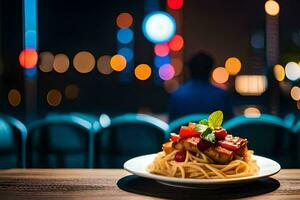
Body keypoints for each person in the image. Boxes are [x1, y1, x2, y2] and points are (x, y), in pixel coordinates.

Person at [168, 52, 233, 121]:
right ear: (210, 70)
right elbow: (230, 125)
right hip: (213, 132)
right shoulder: (221, 95)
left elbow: (172, 126)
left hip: (182, 132)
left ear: (190, 70)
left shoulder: (177, 95)